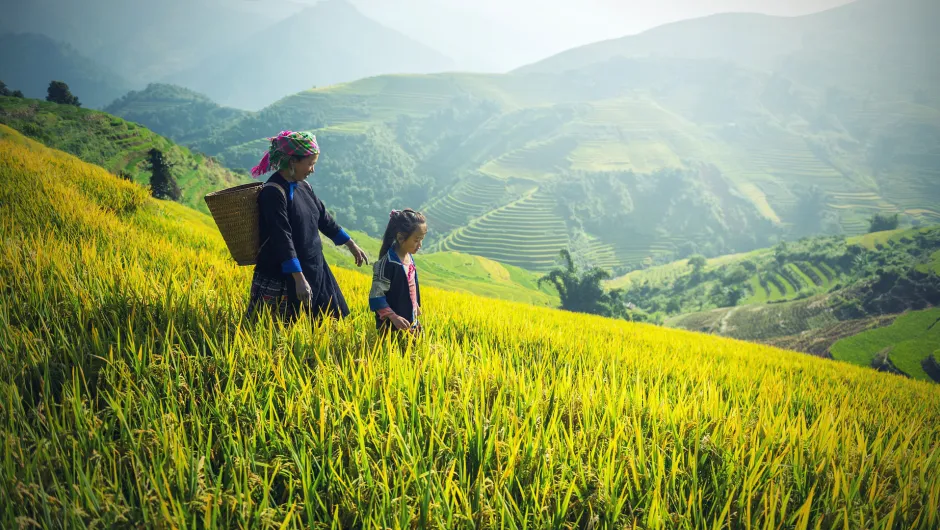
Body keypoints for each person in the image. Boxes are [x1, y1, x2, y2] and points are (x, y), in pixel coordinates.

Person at [246, 130, 368, 322]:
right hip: (285, 275)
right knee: (279, 329)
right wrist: (298, 279)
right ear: (293, 161)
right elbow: (281, 238)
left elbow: (324, 219)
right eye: (310, 164)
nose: (312, 169)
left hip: (314, 268)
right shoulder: (273, 192)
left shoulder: (304, 187)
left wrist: (351, 245)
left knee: (328, 324)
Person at [368, 209, 427, 335]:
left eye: (422, 239)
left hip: (409, 324)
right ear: (400, 238)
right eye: (416, 240)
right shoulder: (387, 264)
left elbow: (410, 288)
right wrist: (394, 317)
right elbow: (376, 296)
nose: (420, 244)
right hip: (391, 329)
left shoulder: (409, 259)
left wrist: (415, 312)